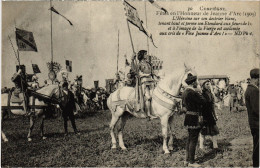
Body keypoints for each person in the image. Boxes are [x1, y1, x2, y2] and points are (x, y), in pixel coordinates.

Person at [182, 73, 206, 167]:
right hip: (194, 118)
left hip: (188, 117)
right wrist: (200, 92)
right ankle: (192, 162)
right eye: (196, 81)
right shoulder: (193, 92)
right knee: (193, 140)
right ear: (193, 83)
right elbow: (203, 102)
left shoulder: (185, 92)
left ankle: (187, 160)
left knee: (189, 139)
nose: (197, 83)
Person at [131, 50, 156, 119]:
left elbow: (152, 72)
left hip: (151, 81)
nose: (146, 55)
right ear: (142, 55)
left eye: (146, 54)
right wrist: (132, 59)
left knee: (152, 97)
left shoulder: (148, 63)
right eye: (145, 54)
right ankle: (148, 114)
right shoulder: (139, 64)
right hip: (144, 82)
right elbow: (136, 71)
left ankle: (153, 112)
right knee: (148, 98)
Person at [245, 68, 259, 168]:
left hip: (254, 122)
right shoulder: (254, 90)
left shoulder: (250, 89)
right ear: (257, 78)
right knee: (258, 147)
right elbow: (257, 109)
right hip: (257, 123)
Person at [199, 80, 219, 150]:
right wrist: (200, 116)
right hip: (203, 114)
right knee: (203, 131)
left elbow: (212, 105)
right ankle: (201, 146)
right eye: (207, 84)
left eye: (209, 84)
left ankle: (215, 146)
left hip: (209, 114)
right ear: (203, 85)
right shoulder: (201, 94)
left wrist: (215, 114)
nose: (208, 85)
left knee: (213, 129)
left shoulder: (210, 94)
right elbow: (200, 106)